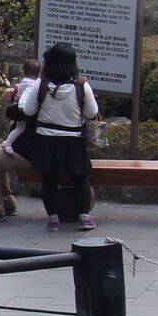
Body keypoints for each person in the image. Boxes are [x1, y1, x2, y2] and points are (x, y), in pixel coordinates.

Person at [19, 43, 100, 231]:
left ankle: (53, 219)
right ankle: (84, 216)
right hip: (73, 139)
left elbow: (29, 110)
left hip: (46, 139)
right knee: (80, 177)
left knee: (50, 179)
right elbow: (92, 112)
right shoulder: (81, 85)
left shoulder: (41, 84)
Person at [0, 56, 44, 220]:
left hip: (29, 146)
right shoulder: (53, 87)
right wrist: (15, 95)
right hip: (40, 144)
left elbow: (22, 112)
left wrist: (14, 104)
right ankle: (6, 203)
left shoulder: (41, 88)